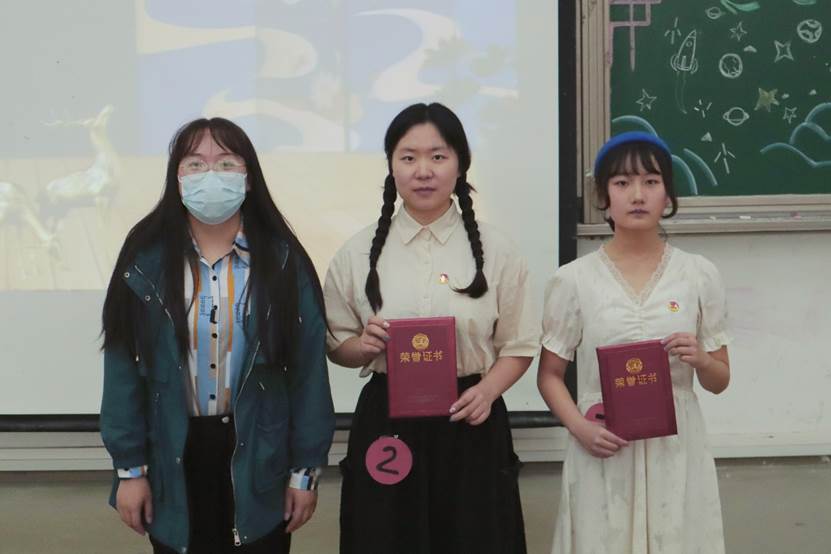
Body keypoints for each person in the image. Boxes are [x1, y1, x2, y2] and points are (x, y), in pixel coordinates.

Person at [100, 117, 335, 554]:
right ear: (177, 179)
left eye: (226, 163)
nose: (210, 175)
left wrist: (305, 472)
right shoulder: (145, 258)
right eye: (195, 164)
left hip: (260, 451)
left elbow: (308, 375)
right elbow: (121, 367)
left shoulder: (283, 261)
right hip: (173, 451)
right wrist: (130, 470)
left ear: (248, 179)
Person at [323, 102, 540, 554]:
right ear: (391, 165)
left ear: (460, 164)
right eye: (409, 157)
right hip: (387, 421)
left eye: (438, 156)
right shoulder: (356, 252)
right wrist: (363, 347)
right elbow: (335, 343)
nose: (423, 171)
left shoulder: (497, 250)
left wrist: (487, 392)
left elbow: (518, 344)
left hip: (471, 417)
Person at [537, 131, 731, 553]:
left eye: (651, 181)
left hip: (675, 446)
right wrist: (580, 428)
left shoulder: (698, 274)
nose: (637, 195)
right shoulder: (573, 280)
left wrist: (700, 359)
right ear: (603, 197)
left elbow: (719, 380)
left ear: (668, 195)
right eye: (622, 183)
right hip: (603, 442)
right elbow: (550, 375)